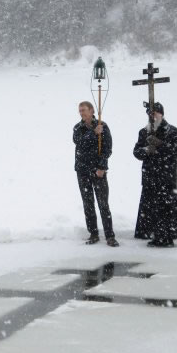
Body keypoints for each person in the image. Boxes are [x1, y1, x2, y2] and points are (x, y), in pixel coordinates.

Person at [133, 102, 177, 247]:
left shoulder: (173, 131)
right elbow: (136, 152)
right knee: (150, 207)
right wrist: (146, 150)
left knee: (165, 207)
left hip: (166, 176)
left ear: (161, 114)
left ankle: (166, 236)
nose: (152, 116)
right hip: (149, 176)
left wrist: (159, 145)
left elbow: (174, 151)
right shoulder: (144, 132)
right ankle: (151, 233)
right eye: (150, 114)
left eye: (155, 113)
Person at [73, 101, 119, 247]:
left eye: (84, 110)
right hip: (82, 171)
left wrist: (102, 167)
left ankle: (110, 235)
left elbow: (107, 149)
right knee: (88, 204)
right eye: (80, 110)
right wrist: (93, 133)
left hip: (98, 171)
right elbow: (79, 142)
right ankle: (93, 234)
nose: (81, 113)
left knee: (103, 204)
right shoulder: (78, 128)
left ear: (92, 110)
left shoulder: (103, 126)